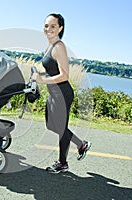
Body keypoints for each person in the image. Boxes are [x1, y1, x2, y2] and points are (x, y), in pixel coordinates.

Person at [32, 13, 91, 173]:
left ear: (60, 28)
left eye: (53, 26)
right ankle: (81, 144)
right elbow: (53, 72)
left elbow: (64, 75)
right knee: (51, 125)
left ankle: (62, 163)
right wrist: (39, 75)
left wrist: (42, 80)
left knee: (61, 128)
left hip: (63, 94)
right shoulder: (49, 46)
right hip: (54, 93)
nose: (48, 29)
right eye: (46, 26)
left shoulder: (59, 47)